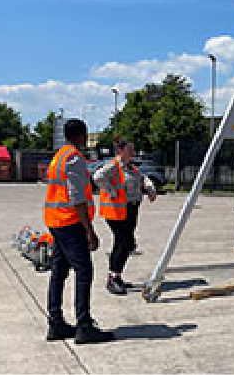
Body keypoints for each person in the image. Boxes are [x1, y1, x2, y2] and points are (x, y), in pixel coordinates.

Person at [43, 119, 114, 344]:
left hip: (56, 221)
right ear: (81, 136)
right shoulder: (74, 158)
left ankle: (55, 322)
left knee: (59, 271)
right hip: (69, 222)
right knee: (84, 271)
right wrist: (89, 230)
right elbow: (78, 198)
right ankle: (84, 326)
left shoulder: (58, 156)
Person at [94, 137, 157, 295]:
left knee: (125, 243)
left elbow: (142, 178)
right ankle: (113, 278)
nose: (133, 152)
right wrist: (111, 191)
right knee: (124, 242)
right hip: (117, 211)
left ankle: (116, 275)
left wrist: (149, 188)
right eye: (130, 150)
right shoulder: (113, 166)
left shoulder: (131, 168)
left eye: (133, 150)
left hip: (130, 210)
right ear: (120, 151)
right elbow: (97, 177)